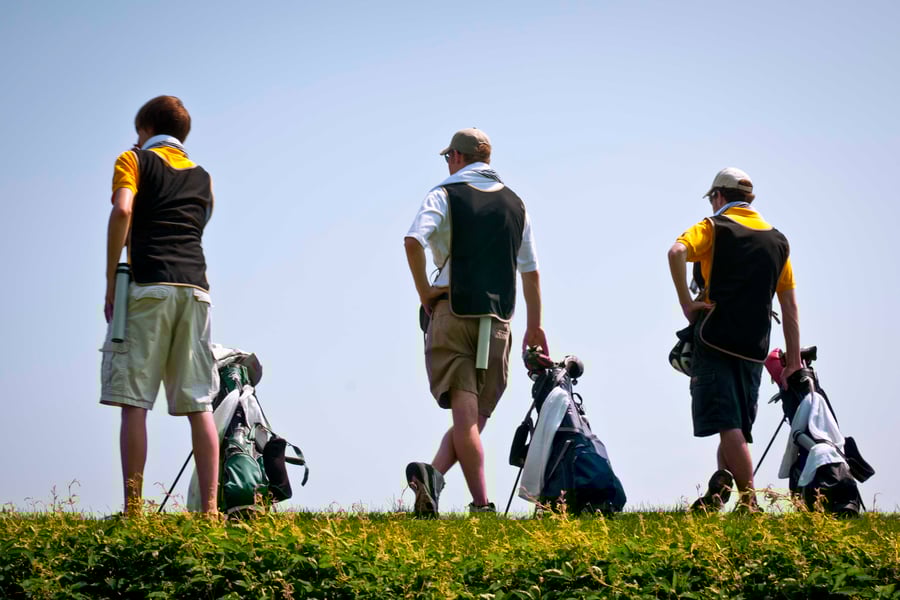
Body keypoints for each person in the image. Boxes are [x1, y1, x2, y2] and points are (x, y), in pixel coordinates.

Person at [403, 128, 548, 516]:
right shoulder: (516, 204)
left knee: (465, 419)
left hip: (452, 312)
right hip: (499, 320)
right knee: (475, 420)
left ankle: (481, 505)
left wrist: (424, 291)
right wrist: (535, 327)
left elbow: (413, 241)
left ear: (456, 157)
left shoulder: (443, 194)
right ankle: (433, 476)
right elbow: (531, 272)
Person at [100, 95, 220, 515]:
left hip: (150, 284)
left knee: (134, 401)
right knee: (199, 403)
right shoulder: (204, 177)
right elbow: (199, 225)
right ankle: (209, 511)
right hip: (196, 289)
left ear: (145, 129)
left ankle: (134, 510)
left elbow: (123, 210)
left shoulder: (133, 159)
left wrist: (111, 278)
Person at [667, 167, 801, 513]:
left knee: (728, 424)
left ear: (718, 196)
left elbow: (676, 252)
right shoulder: (778, 241)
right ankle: (717, 494)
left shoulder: (713, 227)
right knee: (737, 425)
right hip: (755, 347)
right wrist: (794, 362)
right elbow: (789, 307)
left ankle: (750, 503)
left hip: (715, 339)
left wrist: (686, 303)